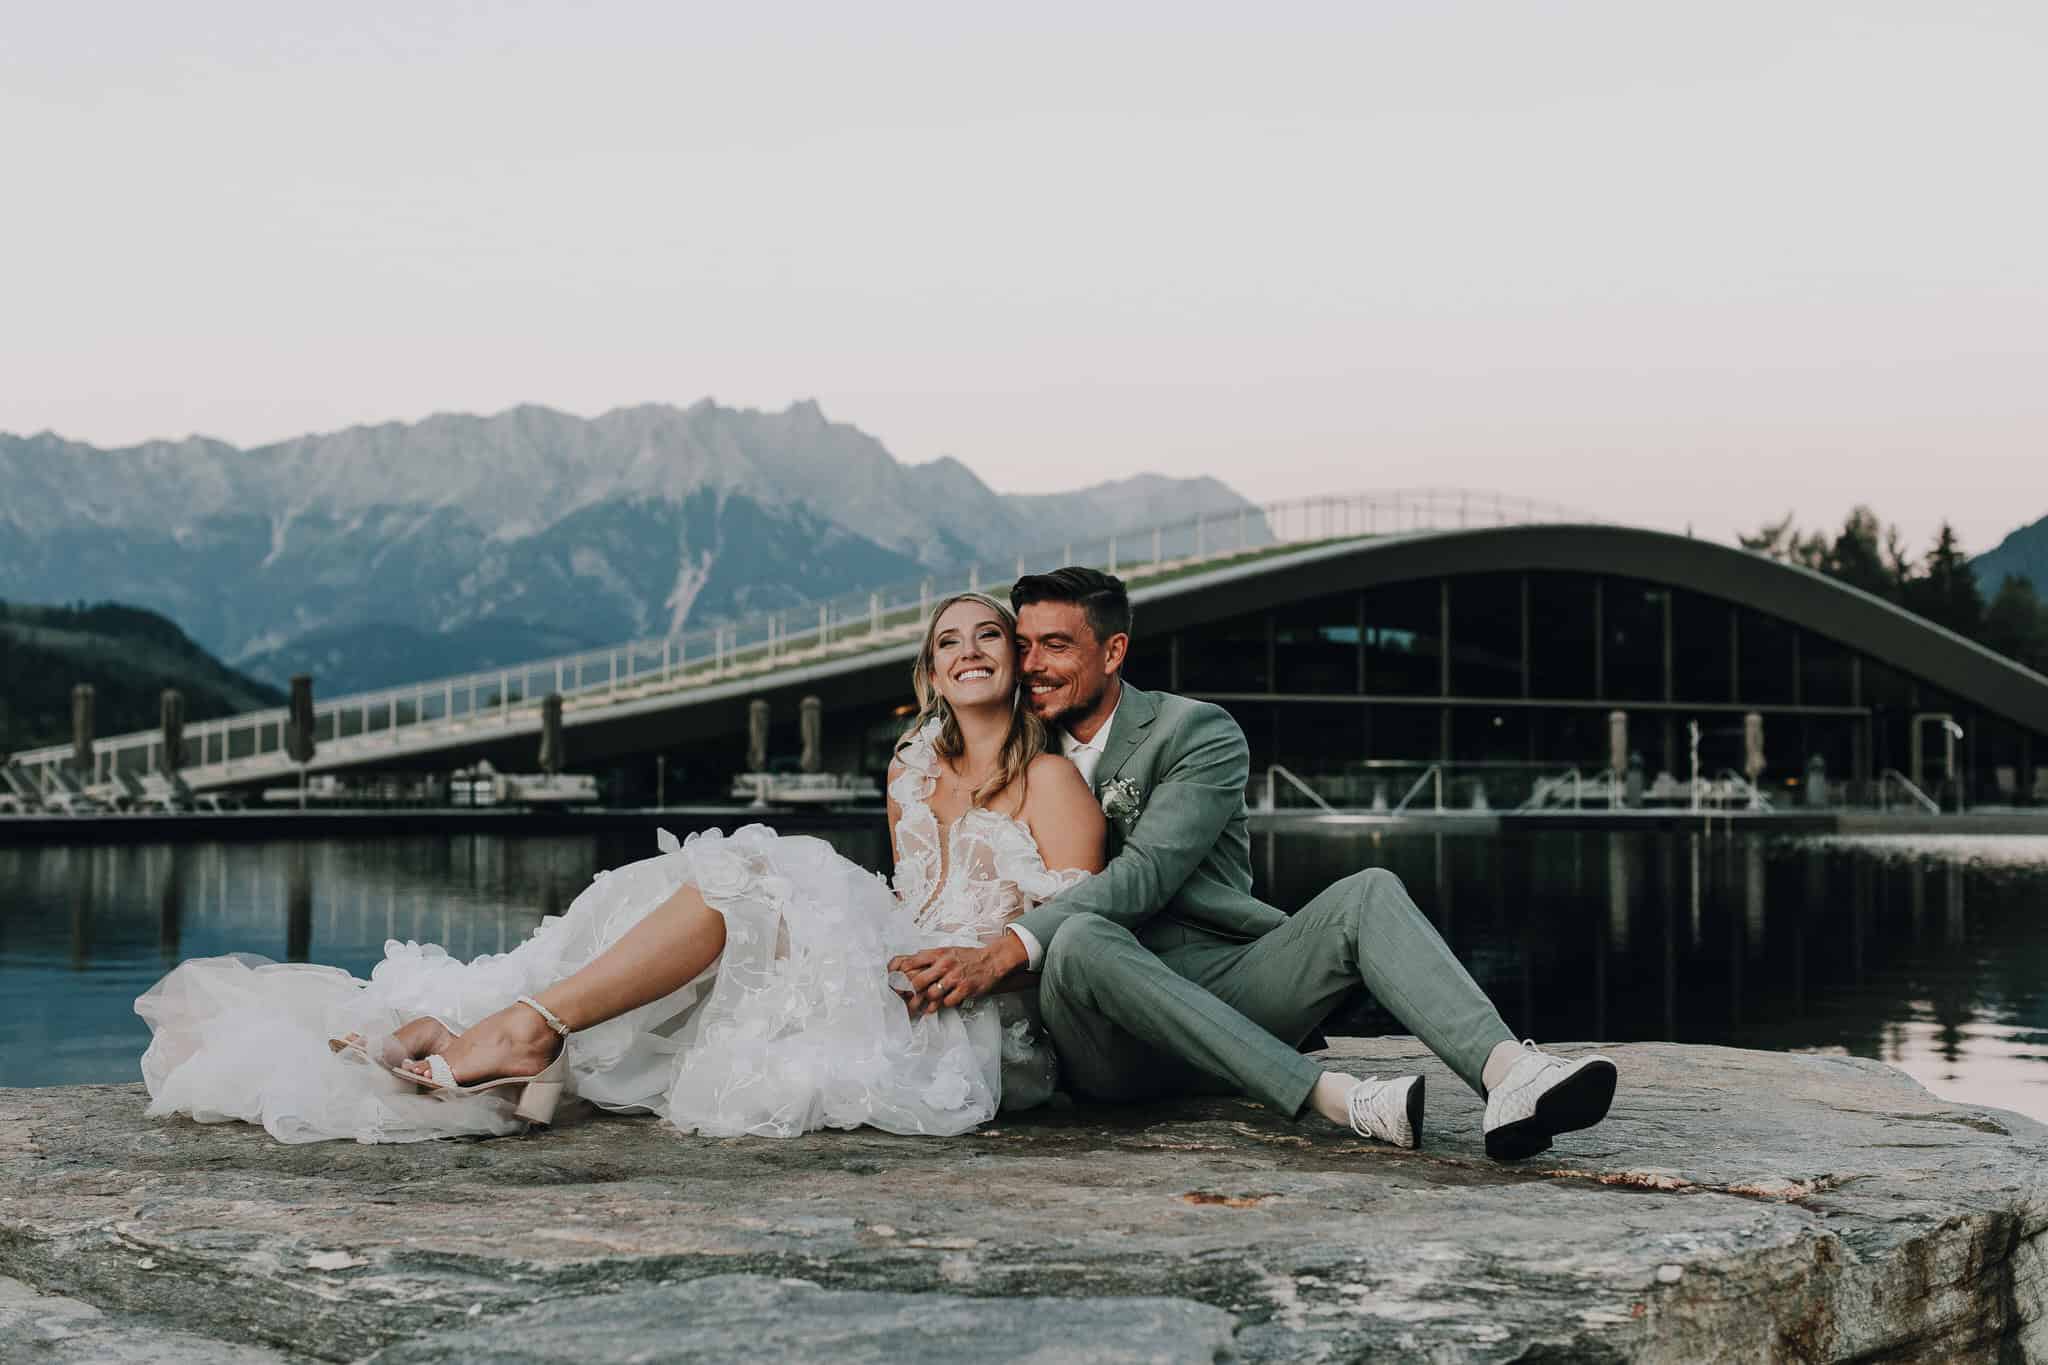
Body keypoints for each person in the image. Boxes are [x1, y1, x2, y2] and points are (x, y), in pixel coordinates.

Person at [135, 593, 1104, 1144]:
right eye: (947, 641)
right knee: (732, 872)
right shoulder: (909, 768)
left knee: (757, 869)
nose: (968, 651)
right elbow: (903, 894)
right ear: (929, 675)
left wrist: (969, 962)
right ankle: (509, 1016)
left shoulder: (1052, 780)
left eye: (987, 637)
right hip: (896, 957)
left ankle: (523, 1029)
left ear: (1014, 665)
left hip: (966, 1010)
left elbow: (1071, 932)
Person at [888, 568, 1616, 1159]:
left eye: (1056, 645)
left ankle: (1512, 1074)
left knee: (1367, 889)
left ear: (1112, 652)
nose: (1035, 664)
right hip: (1102, 1028)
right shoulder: (1020, 752)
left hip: (1223, 980)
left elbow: (1145, 877)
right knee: (1080, 941)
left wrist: (1004, 951)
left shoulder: (1194, 731)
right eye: (1027, 645)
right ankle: (1334, 1097)